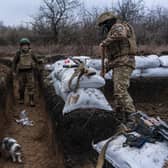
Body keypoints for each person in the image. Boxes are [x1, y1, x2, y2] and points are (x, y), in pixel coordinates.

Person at [97, 12, 137, 122]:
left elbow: (121, 34)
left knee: (120, 91)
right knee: (117, 92)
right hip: (118, 63)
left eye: (104, 25)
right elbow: (113, 57)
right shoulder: (112, 32)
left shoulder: (118, 26)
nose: (103, 28)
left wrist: (104, 43)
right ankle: (120, 116)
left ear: (109, 22)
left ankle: (132, 118)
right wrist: (105, 69)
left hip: (124, 63)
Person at [13, 38, 38, 107]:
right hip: (21, 73)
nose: (25, 47)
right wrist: (14, 71)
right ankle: (21, 99)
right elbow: (14, 62)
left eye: (26, 45)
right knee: (21, 87)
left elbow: (36, 60)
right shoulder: (18, 53)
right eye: (23, 45)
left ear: (28, 46)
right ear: (21, 46)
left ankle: (31, 100)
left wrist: (38, 66)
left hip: (30, 72)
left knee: (31, 86)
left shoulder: (31, 52)